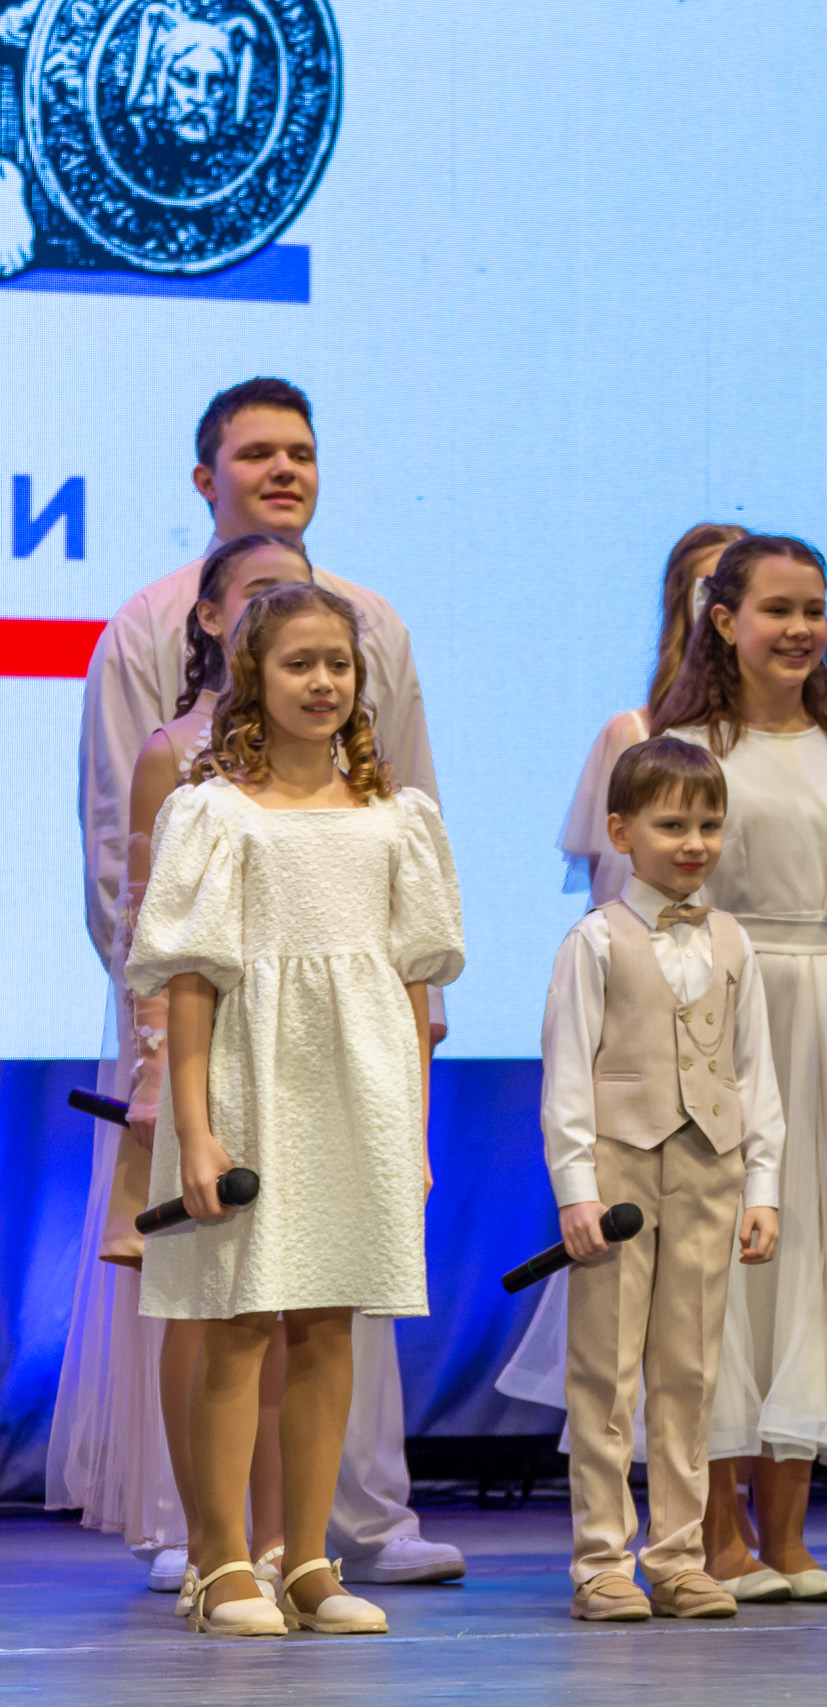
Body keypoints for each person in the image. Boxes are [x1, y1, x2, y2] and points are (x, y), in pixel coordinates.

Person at [63, 378, 463, 1590]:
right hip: (217, 1031)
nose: (284, 469)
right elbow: (125, 849)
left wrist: (417, 1045)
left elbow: (404, 823)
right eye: (256, 452)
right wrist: (160, 1062)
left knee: (335, 1303)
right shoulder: (146, 639)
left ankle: (338, 1529)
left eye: (302, 449)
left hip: (353, 1047)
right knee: (220, 1298)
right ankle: (206, 1538)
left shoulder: (375, 631)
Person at [129, 583, 465, 1635]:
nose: (323, 683)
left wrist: (412, 1133)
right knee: (239, 1321)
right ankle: (222, 1562)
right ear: (253, 676)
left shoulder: (397, 817)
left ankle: (309, 1559)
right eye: (299, 664)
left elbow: (414, 991)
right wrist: (195, 1131)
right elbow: (190, 981)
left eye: (339, 665)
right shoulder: (215, 812)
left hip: (358, 1091)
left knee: (329, 1323)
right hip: (251, 1086)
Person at [50, 535, 313, 1597]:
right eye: (259, 593)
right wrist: (165, 1090)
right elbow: (146, 936)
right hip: (201, 1062)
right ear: (209, 617)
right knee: (202, 1301)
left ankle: (286, 1538)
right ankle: (206, 1534)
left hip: (303, 1062)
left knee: (292, 1303)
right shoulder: (175, 752)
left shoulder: (336, 762)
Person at [655, 534, 827, 1603]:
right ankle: (719, 1538)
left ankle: (788, 1540)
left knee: (812, 1260)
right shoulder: (686, 747)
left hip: (823, 1019)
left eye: (815, 608)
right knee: (719, 1267)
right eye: (777, 609)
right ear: (724, 621)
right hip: (717, 1005)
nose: (800, 628)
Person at [495, 521, 749, 1431]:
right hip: (638, 1075)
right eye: (710, 589)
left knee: (701, 1349)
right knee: (614, 1351)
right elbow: (607, 897)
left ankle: (711, 1508)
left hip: (727, 1052)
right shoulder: (634, 735)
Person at [542, 737, 785, 1621]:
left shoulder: (731, 939)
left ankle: (679, 1554)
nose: (694, 842)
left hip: (709, 1169)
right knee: (606, 1372)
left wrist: (762, 1187)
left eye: (709, 824)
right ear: (621, 831)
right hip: (620, 1174)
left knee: (690, 1370)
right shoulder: (595, 941)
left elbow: (755, 1074)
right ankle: (602, 1559)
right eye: (673, 824)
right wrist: (576, 1187)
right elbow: (567, 1075)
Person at [558, 523, 749, 906]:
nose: (728, 613)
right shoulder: (634, 735)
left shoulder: (819, 743)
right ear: (686, 606)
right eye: (712, 593)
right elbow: (612, 906)